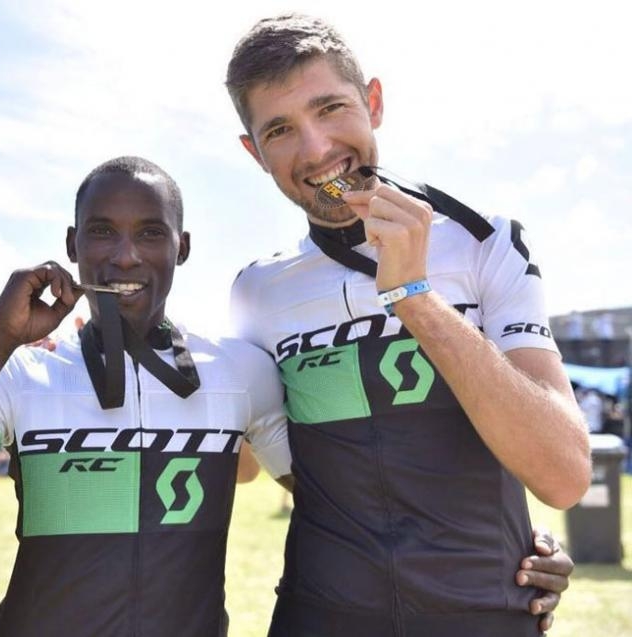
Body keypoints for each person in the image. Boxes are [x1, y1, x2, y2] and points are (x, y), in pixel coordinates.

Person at [225, 14, 588, 637]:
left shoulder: (485, 241)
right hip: (320, 616)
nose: (315, 150)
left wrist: (414, 297)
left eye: (331, 108)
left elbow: (562, 474)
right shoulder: (257, 291)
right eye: (280, 130)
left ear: (373, 102)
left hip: (485, 616)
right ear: (254, 152)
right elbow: (289, 468)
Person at [0, 156, 292, 637]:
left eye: (150, 233)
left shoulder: (239, 371)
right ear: (71, 243)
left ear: (181, 247)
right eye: (103, 231)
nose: (126, 256)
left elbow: (344, 501)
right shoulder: (21, 373)